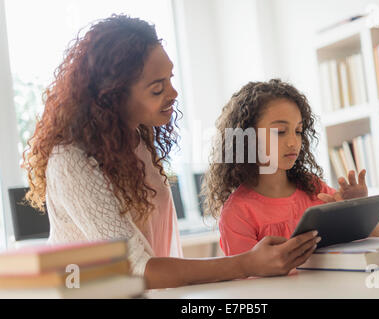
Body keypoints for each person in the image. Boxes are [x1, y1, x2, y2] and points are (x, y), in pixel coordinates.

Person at [22, 15, 320, 289]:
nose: (173, 93)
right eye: (157, 88)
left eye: (170, 79)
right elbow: (136, 268)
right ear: (113, 95)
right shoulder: (70, 161)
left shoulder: (136, 140)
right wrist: (247, 263)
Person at [201, 79, 379, 256]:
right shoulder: (238, 213)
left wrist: (359, 210)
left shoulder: (315, 189)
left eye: (298, 131)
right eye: (280, 132)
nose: (293, 142)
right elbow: (247, 280)